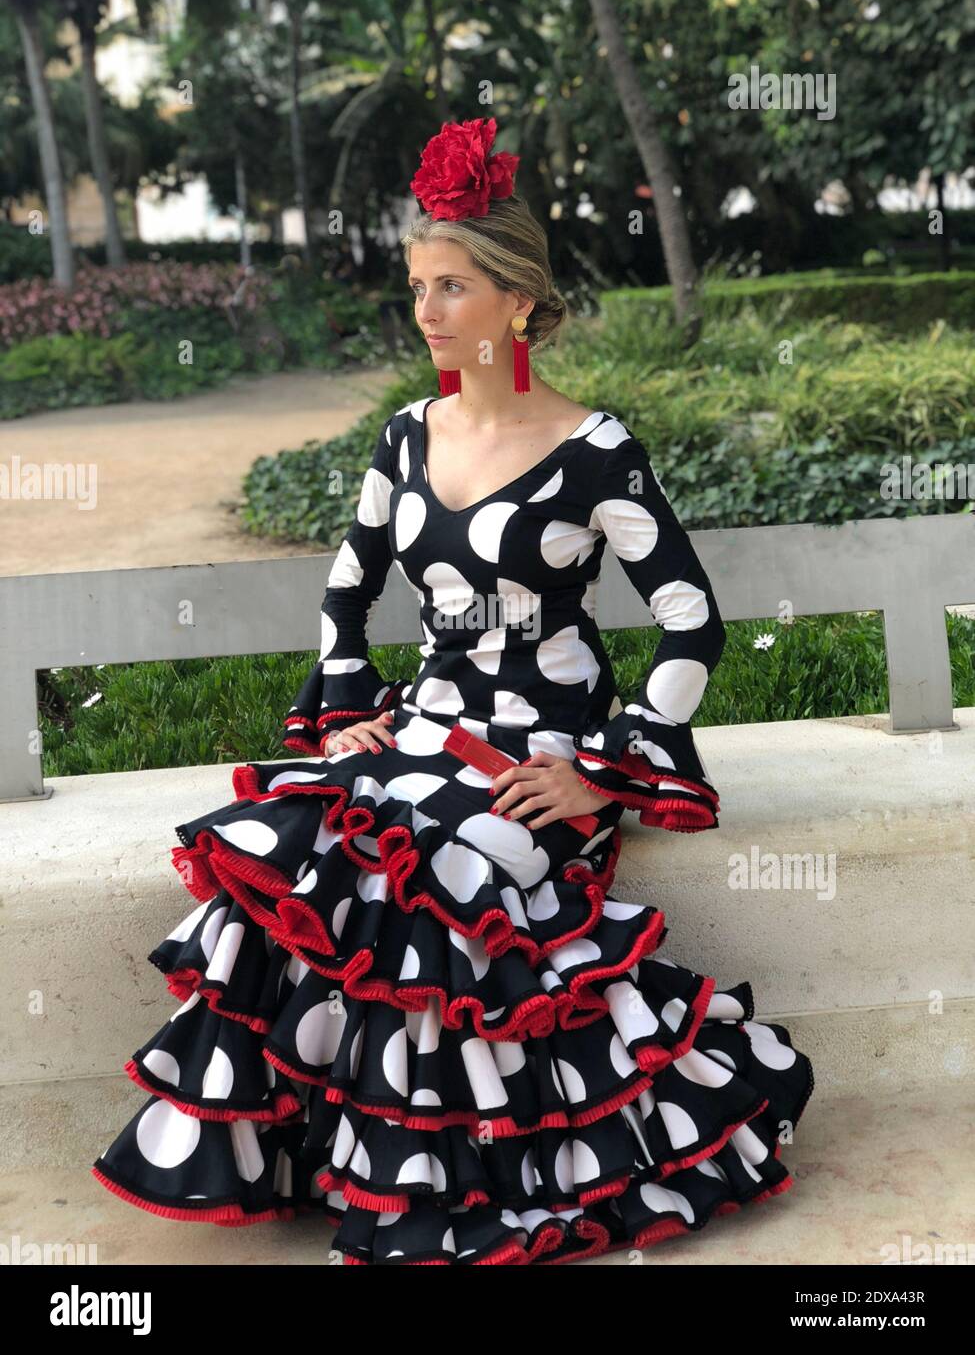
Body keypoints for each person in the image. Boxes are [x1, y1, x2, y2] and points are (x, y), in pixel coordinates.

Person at [91, 118, 814, 1265]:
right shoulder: (404, 435)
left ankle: (446, 1176)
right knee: (287, 839)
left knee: (438, 874)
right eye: (418, 285)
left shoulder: (594, 449)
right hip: (427, 721)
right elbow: (347, 588)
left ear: (519, 302)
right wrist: (348, 698)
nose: (426, 311)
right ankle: (312, 1156)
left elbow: (691, 618)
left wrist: (603, 771)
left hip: (540, 747)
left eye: (454, 287)